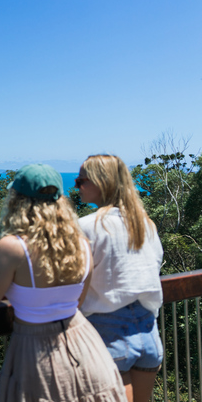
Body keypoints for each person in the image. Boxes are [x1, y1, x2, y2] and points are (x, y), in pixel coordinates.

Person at [0, 163, 127, 402]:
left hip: (36, 352)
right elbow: (77, 302)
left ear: (17, 201)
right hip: (86, 347)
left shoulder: (13, 247)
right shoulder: (82, 244)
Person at [77, 154, 164, 402]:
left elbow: (76, 279)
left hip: (109, 333)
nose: (77, 186)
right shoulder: (145, 224)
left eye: (81, 180)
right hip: (148, 330)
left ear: (101, 182)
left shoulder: (87, 226)